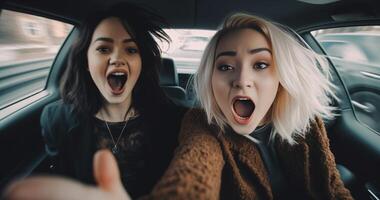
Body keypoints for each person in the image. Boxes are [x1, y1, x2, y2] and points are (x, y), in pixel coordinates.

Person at [4, 13, 353, 200]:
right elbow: (191, 177)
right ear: (85, 59)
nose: (241, 80)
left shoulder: (307, 125)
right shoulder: (200, 127)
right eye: (225, 66)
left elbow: (333, 188)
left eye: (261, 64)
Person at [8, 2, 185, 199]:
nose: (117, 58)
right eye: (103, 49)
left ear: (141, 64)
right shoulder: (56, 119)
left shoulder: (175, 120)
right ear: (86, 61)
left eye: (131, 50)